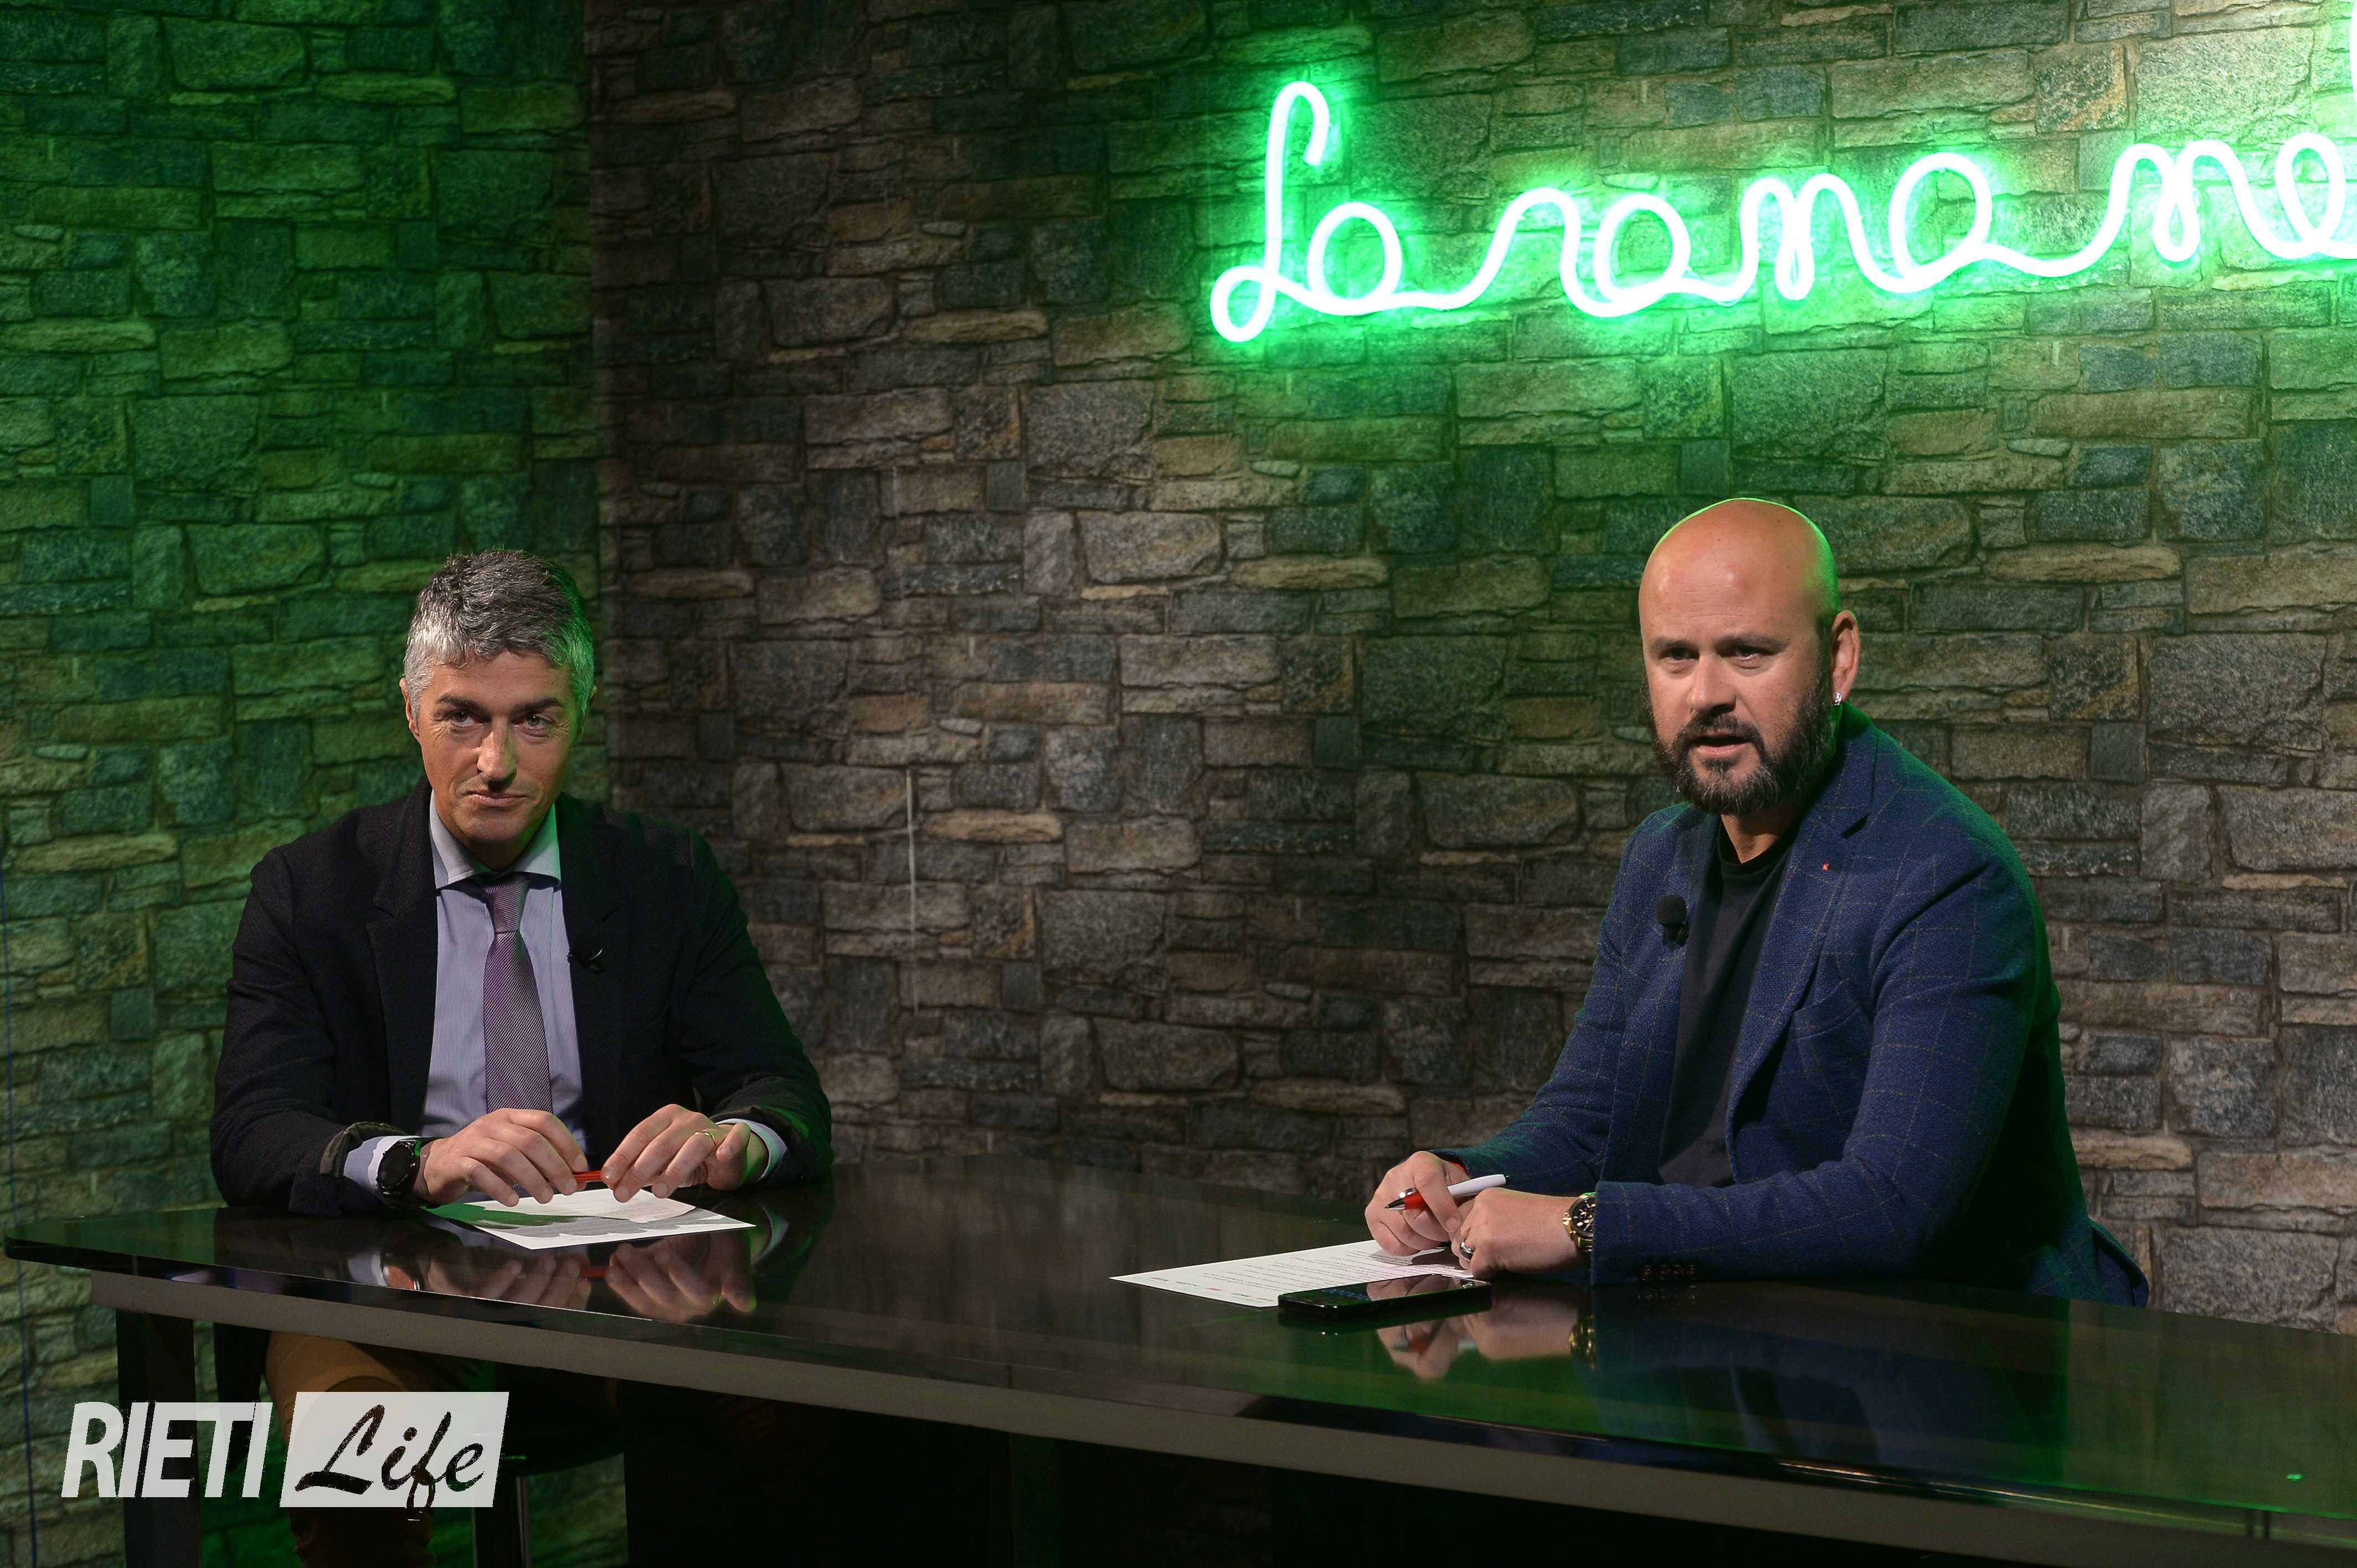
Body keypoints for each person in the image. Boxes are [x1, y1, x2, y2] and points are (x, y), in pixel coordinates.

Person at [211, 549, 833, 1565]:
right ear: (410, 711)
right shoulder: (309, 891)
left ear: (581, 714)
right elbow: (252, 1129)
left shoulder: (666, 878)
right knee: (363, 1473)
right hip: (390, 1305)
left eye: (534, 720)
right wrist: (417, 1162)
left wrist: (735, 1140)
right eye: (462, 718)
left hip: (621, 1298)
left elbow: (782, 1092)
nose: (495, 761)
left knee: (832, 1423)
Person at [1365, 500, 2144, 1307]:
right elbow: (1588, 1119)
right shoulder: (1659, 855)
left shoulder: (1946, 873)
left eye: (1746, 653)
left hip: (1935, 1348)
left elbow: (1893, 1206)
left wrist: (1586, 1227)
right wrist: (1456, 1179)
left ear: (1839, 658)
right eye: (1676, 657)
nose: (1706, 694)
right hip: (1702, 1324)